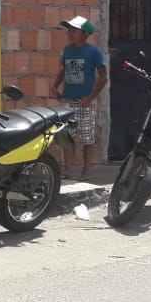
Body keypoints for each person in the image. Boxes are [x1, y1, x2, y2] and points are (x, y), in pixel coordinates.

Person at [52, 15, 108, 181]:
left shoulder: (93, 52)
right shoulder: (68, 50)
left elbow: (103, 77)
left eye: (73, 30)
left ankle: (87, 171)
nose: (69, 33)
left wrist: (90, 98)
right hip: (67, 101)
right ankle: (69, 171)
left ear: (84, 34)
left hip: (84, 102)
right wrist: (55, 86)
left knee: (87, 138)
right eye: (69, 30)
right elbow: (64, 71)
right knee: (67, 137)